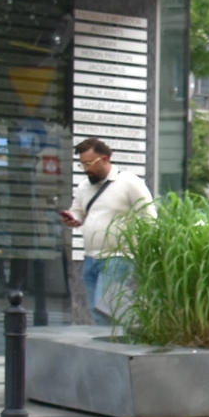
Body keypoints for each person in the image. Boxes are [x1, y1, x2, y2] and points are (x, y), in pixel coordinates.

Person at [57, 138, 152, 323]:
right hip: (91, 257)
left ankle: (114, 348)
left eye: (90, 163)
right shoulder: (84, 187)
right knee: (95, 310)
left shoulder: (129, 182)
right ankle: (113, 345)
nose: (86, 169)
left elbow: (148, 216)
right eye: (82, 164)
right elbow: (79, 211)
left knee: (106, 310)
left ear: (105, 159)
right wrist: (72, 218)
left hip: (118, 257)